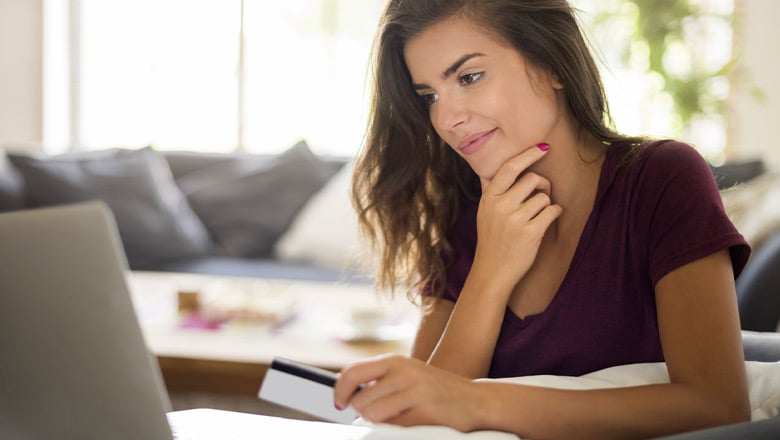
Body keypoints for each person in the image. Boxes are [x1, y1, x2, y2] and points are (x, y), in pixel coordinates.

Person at [334, 0, 752, 438]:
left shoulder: (661, 180)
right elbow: (421, 418)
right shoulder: (464, 213)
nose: (446, 118)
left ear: (551, 63)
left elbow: (718, 406)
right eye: (429, 97)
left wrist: (478, 403)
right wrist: (490, 272)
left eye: (469, 77)